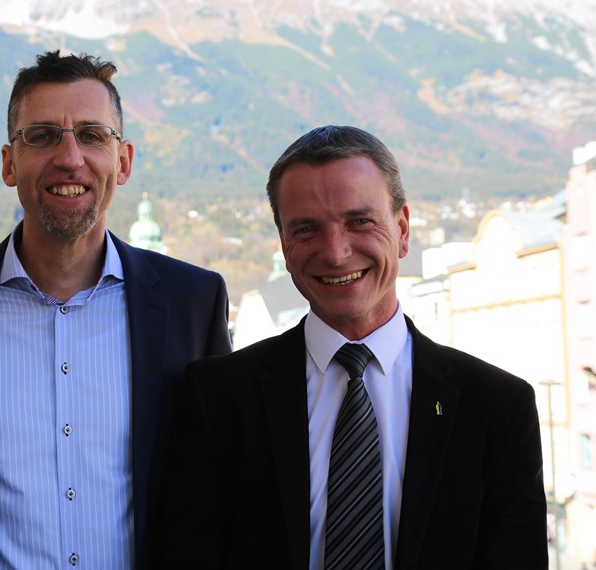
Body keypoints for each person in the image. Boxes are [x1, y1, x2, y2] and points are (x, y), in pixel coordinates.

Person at [0, 50, 232, 569]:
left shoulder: (192, 303)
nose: (70, 157)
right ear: (9, 163)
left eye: (93, 135)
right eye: (43, 135)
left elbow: (220, 493)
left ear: (124, 161)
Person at [158, 125, 547, 569]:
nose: (336, 252)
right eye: (307, 229)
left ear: (402, 230)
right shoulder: (219, 396)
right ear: (284, 246)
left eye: (359, 221)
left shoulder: (496, 405)